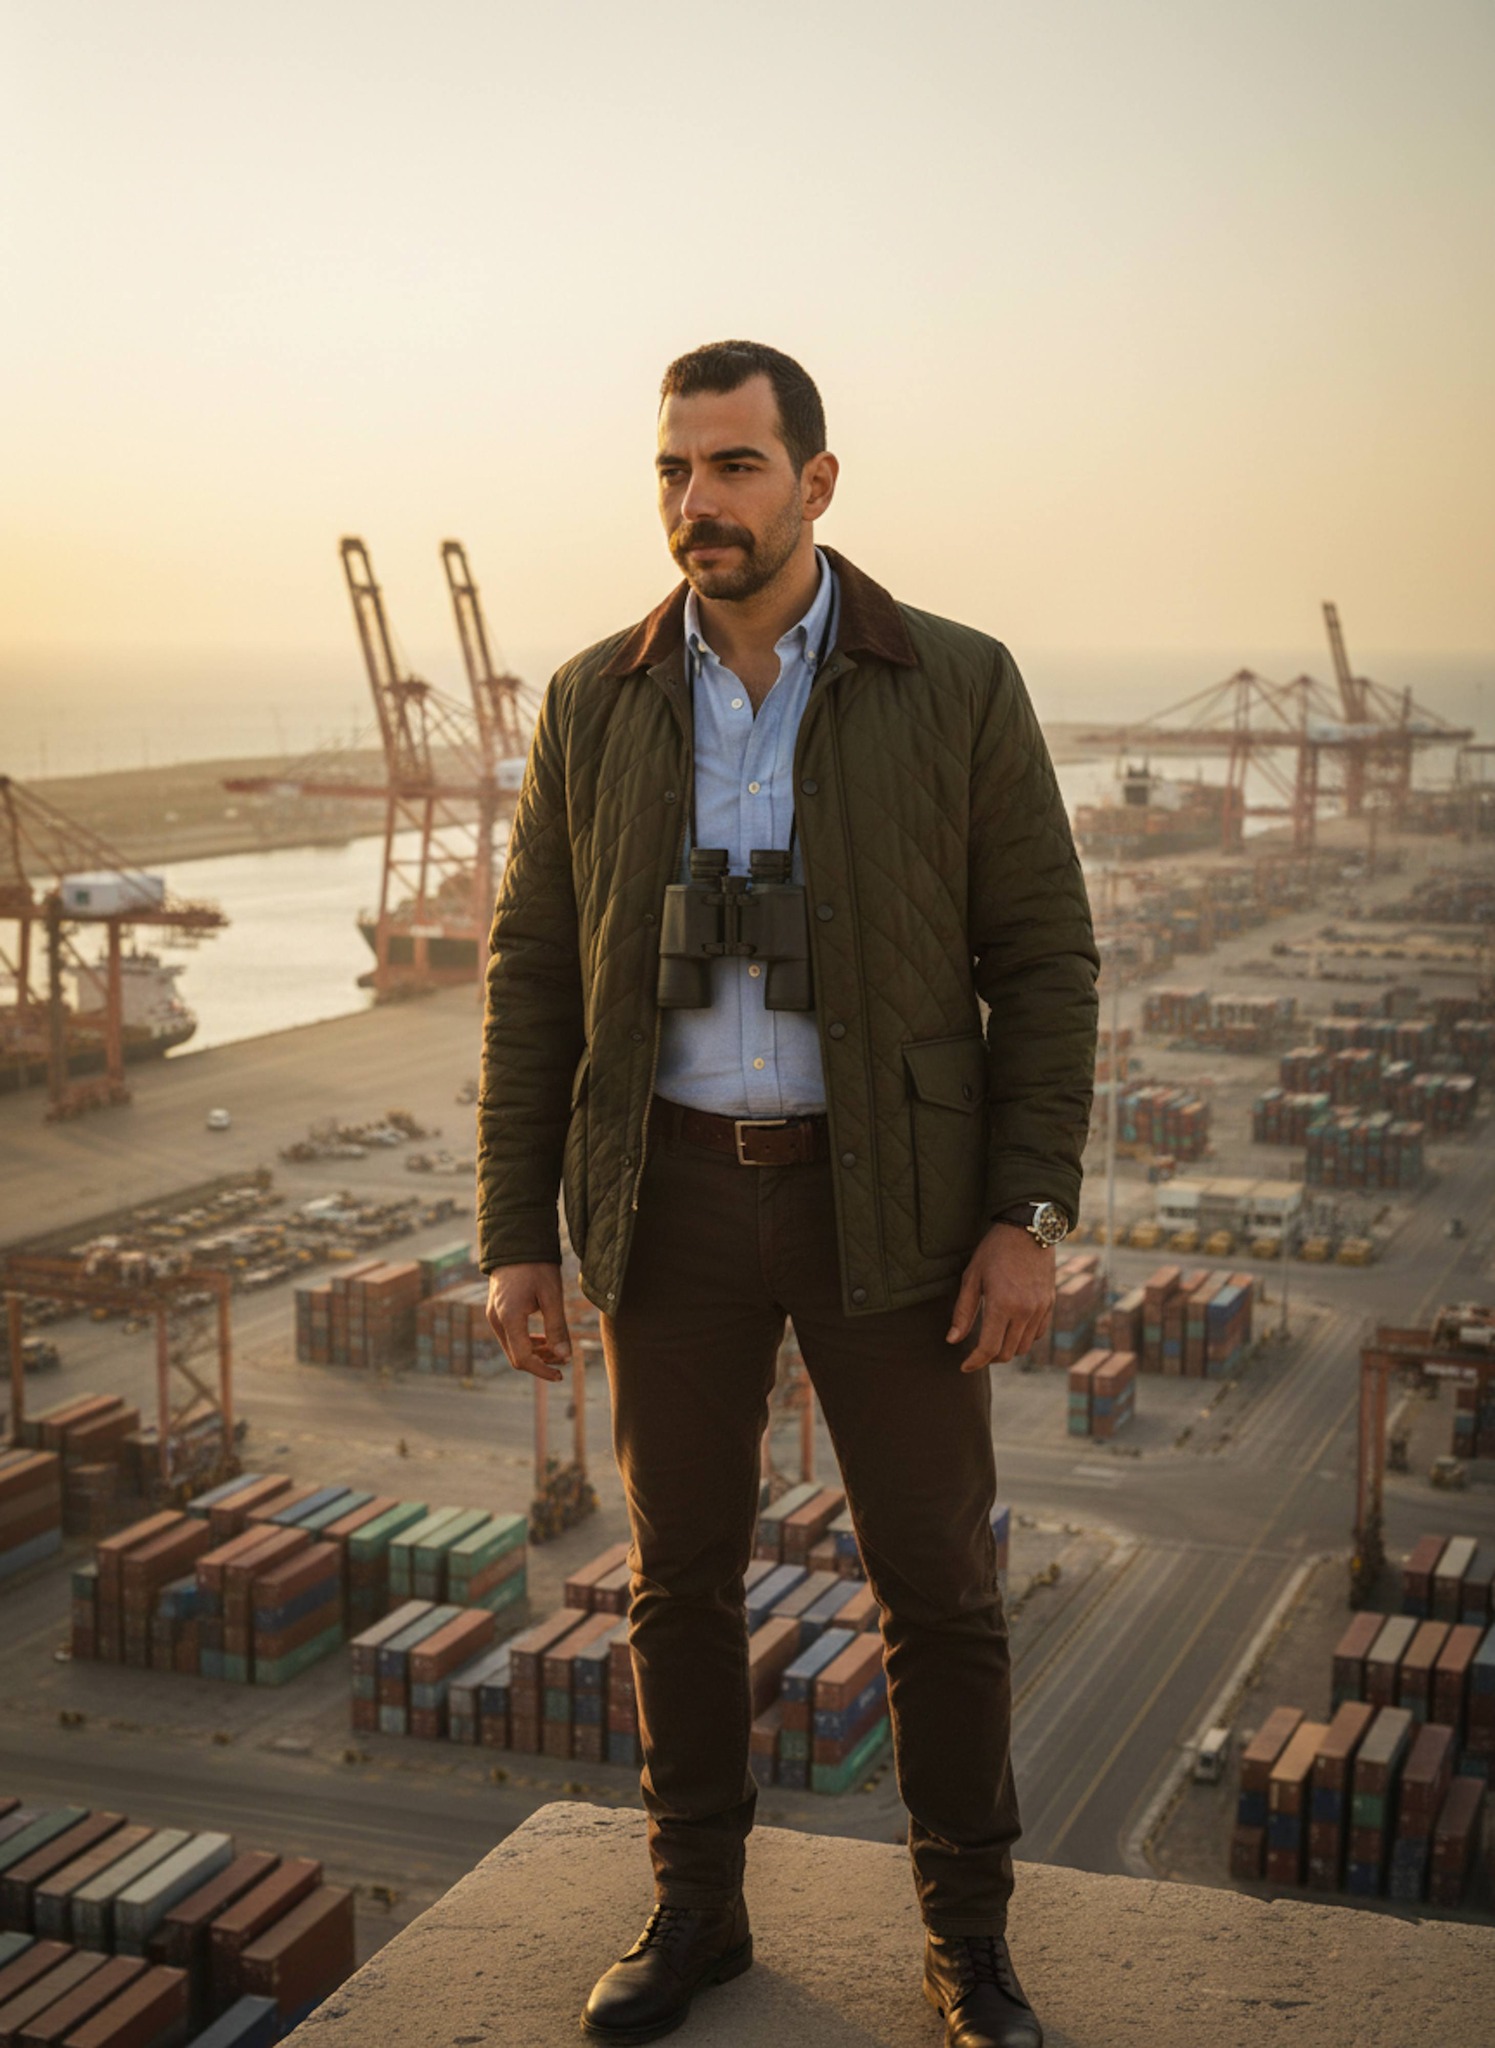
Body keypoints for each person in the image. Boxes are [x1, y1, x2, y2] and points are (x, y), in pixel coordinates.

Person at [478, 340, 1098, 2048]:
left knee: (938, 1586)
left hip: (887, 1202)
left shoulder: (956, 681)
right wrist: (516, 1230)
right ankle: (696, 1918)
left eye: (736, 468)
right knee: (676, 1575)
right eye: (676, 471)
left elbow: (1044, 957)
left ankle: (968, 1947)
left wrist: (1023, 1210)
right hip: (668, 1195)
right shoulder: (592, 699)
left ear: (816, 484)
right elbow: (535, 971)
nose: (700, 505)